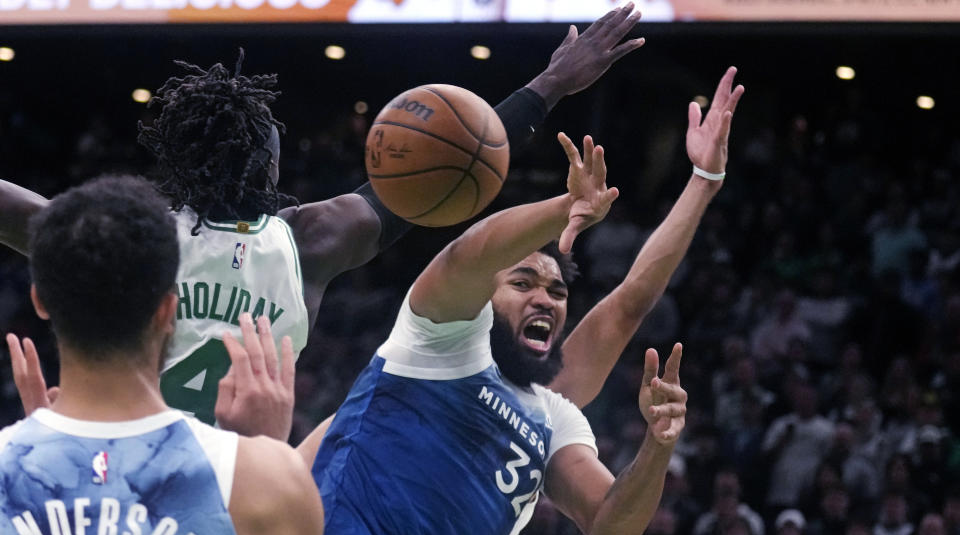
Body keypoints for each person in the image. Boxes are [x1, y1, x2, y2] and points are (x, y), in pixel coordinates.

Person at [0, 4, 647, 428]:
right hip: (244, 494)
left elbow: (14, 208)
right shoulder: (310, 241)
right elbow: (453, 165)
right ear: (272, 168)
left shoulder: (127, 242)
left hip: (125, 468)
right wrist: (551, 84)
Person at [303, 67, 742, 535]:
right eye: (524, 283)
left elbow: (610, 527)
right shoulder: (437, 339)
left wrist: (705, 178)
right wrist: (567, 205)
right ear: (487, 297)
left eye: (558, 291)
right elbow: (466, 256)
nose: (547, 299)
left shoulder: (552, 414)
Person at [0, 175, 330, 535]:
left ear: (40, 301)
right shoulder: (270, 485)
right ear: (167, 309)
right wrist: (261, 452)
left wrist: (33, 456)